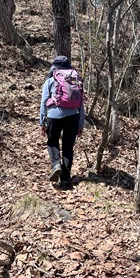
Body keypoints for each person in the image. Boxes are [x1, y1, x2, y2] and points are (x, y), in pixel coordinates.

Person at [40, 56, 85, 186]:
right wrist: (80, 124)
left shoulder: (50, 80)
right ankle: (65, 179)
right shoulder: (75, 81)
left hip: (54, 115)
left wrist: (42, 122)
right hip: (73, 116)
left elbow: (44, 102)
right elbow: (81, 104)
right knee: (68, 148)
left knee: (52, 142)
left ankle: (56, 164)